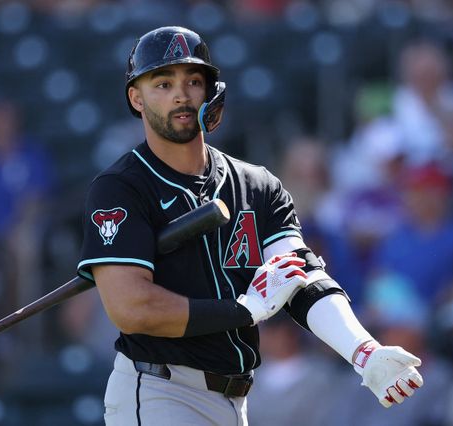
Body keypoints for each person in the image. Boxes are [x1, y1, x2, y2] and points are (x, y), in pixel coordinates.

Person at [77, 26, 424, 426]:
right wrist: (241, 310)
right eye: (163, 83)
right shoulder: (120, 188)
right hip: (160, 389)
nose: (181, 94)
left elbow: (301, 278)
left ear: (211, 92)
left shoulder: (257, 185)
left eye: (193, 81)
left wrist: (364, 352)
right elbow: (132, 308)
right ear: (136, 98)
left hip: (236, 399)